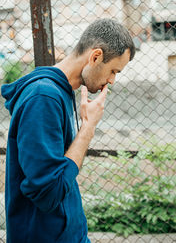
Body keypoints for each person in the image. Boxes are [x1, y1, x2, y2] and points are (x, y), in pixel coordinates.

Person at [1, 18, 135, 243]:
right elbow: (48, 193)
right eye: (113, 71)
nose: (111, 80)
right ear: (95, 57)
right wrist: (88, 128)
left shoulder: (62, 92)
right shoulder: (43, 98)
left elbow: (64, 172)